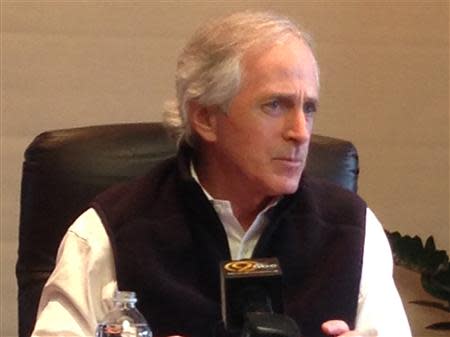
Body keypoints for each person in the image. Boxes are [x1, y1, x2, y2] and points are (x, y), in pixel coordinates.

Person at [31, 11, 412, 337]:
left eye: (308, 108)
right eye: (275, 105)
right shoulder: (109, 231)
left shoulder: (351, 229)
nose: (301, 131)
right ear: (206, 117)